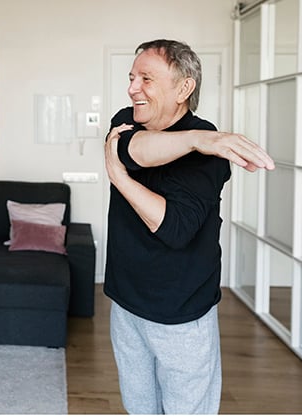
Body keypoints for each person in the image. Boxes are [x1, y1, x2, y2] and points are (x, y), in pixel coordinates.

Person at [103, 39, 274, 414]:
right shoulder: (130, 120)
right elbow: (135, 151)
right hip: (127, 305)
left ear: (184, 88)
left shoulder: (211, 157)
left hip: (180, 315)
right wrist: (198, 140)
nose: (133, 88)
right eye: (132, 77)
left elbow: (173, 228)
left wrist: (120, 179)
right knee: (140, 408)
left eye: (146, 78)